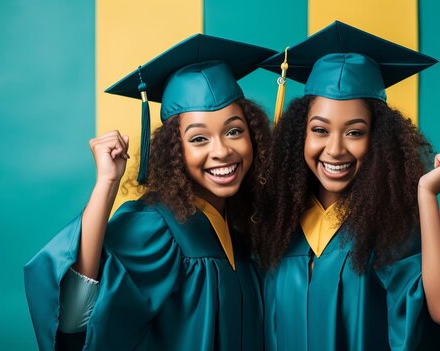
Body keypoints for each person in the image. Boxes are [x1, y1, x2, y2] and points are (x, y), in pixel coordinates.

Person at [256, 21, 440, 351]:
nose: (335, 148)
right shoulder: (279, 226)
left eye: (354, 132)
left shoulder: (390, 226)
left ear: (379, 140)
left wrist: (427, 195)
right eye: (320, 130)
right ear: (301, 134)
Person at [24, 34, 274, 351]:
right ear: (175, 150)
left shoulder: (243, 226)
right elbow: (77, 319)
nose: (222, 151)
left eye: (234, 131)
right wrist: (106, 184)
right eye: (199, 139)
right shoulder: (158, 228)